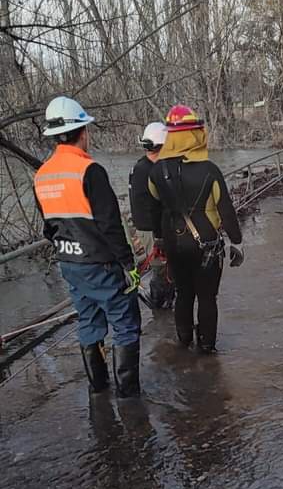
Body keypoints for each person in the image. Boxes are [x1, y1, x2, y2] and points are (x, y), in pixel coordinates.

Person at [33, 96, 141, 397]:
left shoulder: (41, 176)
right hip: (102, 264)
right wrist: (128, 265)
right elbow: (110, 225)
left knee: (89, 324)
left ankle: (98, 391)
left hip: (71, 266)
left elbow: (48, 227)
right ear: (83, 132)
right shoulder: (89, 170)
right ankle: (129, 397)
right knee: (125, 323)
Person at [149, 105, 244, 353]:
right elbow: (225, 209)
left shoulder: (157, 171)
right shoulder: (210, 170)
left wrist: (158, 238)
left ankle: (183, 343)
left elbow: (154, 203)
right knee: (206, 297)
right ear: (195, 134)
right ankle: (207, 349)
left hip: (173, 243)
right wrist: (237, 242)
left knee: (183, 293)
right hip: (206, 246)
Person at [129, 122, 167, 257]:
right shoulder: (150, 170)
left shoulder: (141, 166)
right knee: (159, 267)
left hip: (146, 228)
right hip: (151, 231)